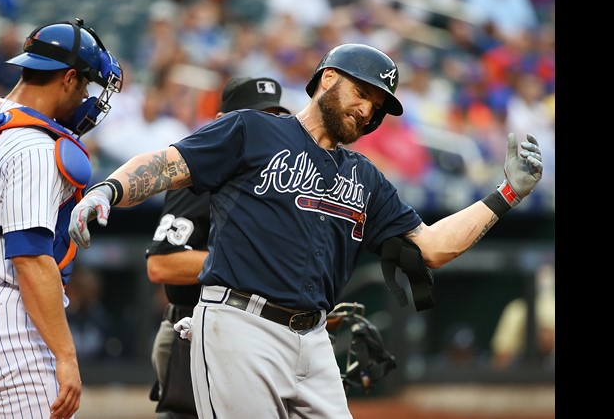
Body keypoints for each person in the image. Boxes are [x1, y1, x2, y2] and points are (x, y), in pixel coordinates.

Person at [69, 43, 543, 418]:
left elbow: (433, 248)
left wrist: (506, 194)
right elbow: (167, 164)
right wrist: (109, 189)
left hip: (315, 338)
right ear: (328, 79)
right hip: (241, 326)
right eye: (363, 94)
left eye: (378, 107)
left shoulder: (366, 176)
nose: (368, 111)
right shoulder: (253, 130)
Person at [0, 19, 123, 419]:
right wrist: (66, 355)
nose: (86, 96)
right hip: (7, 320)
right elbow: (30, 259)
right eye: (85, 85)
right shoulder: (36, 145)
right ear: (69, 78)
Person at [145, 77, 290, 418]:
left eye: (272, 117)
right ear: (222, 120)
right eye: (253, 116)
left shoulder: (277, 181)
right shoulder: (201, 174)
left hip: (256, 338)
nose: (262, 126)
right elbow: (162, 264)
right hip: (194, 335)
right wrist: (253, 266)